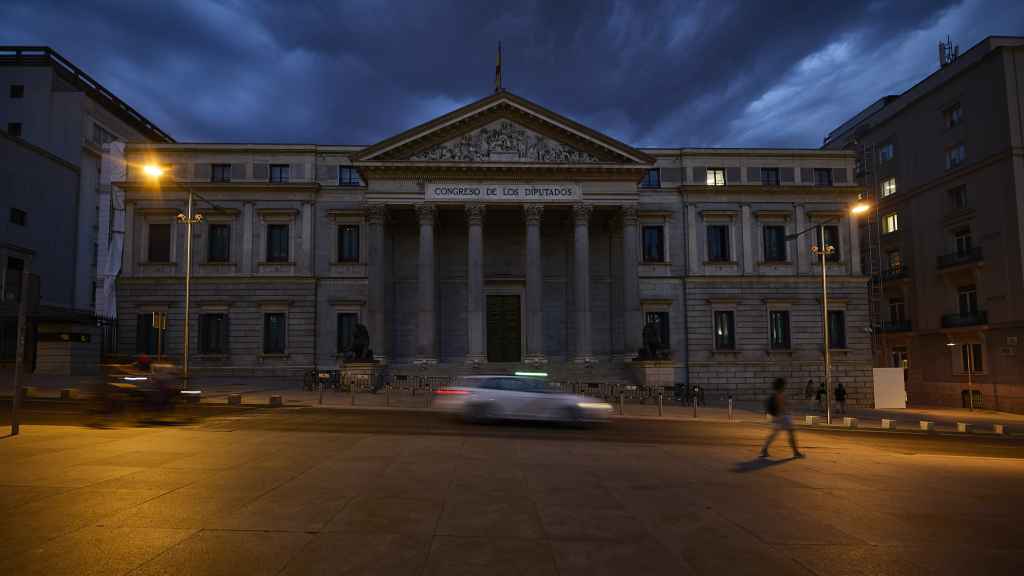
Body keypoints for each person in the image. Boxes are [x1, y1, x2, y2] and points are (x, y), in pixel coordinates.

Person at [761, 377, 803, 459]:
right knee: (791, 434)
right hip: (783, 417)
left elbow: (784, 404)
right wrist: (785, 413)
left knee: (774, 434)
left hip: (778, 417)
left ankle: (764, 450)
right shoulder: (779, 395)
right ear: (782, 385)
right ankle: (796, 452)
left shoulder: (776, 394)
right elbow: (781, 406)